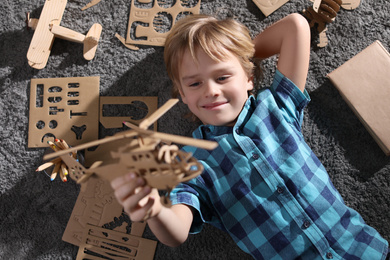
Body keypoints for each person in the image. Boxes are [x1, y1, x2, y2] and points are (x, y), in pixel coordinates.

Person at [111, 13, 389, 259]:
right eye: (195, 83)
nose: (210, 91)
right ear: (182, 94)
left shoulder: (275, 106)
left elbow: (296, 26)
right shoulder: (187, 160)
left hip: (365, 250)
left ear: (249, 77)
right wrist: (155, 210)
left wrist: (238, 53)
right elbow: (177, 233)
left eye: (222, 77)